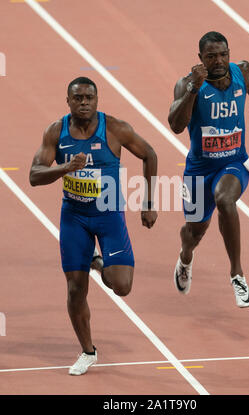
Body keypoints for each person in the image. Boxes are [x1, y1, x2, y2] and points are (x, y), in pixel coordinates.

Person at [29, 77, 158, 375]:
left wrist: (149, 202)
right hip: (74, 217)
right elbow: (34, 175)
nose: (84, 102)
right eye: (78, 98)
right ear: (68, 101)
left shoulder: (114, 128)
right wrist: (65, 167)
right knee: (76, 290)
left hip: (109, 215)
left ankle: (98, 265)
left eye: (89, 97)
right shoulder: (56, 132)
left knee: (122, 286)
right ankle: (88, 351)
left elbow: (149, 154)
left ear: (97, 100)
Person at [168, 31, 249, 307]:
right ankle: (185, 257)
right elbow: (175, 125)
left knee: (225, 200)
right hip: (199, 171)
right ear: (200, 59)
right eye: (211, 56)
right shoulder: (188, 84)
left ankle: (237, 274)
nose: (219, 60)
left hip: (234, 162)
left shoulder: (242, 72)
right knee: (194, 232)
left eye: (223, 54)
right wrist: (192, 90)